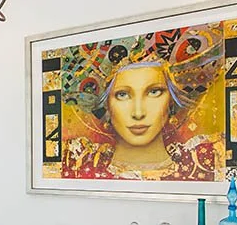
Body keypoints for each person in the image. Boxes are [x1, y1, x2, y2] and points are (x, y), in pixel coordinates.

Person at [58, 29, 222, 181]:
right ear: (106, 104)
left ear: (171, 100)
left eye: (154, 92)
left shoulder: (206, 158)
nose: (138, 113)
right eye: (122, 95)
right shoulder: (77, 160)